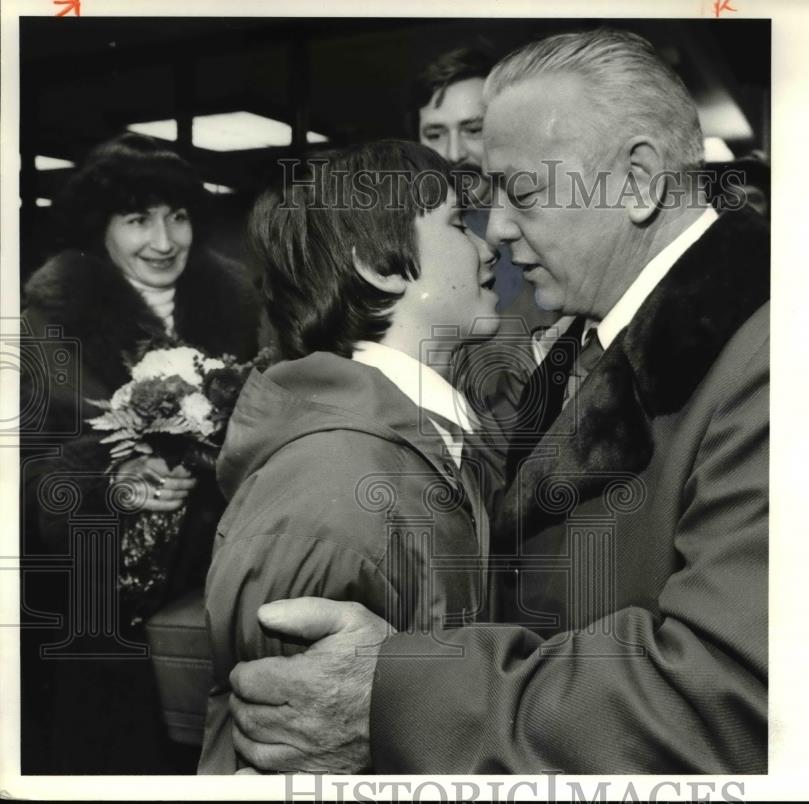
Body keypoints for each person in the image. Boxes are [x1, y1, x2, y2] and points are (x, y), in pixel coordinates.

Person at [226, 28, 769, 774]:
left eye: (523, 192)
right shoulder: (597, 341)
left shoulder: (779, 358)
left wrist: (398, 699)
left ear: (640, 181)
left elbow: (729, 697)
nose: (500, 231)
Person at [197, 141, 506, 773]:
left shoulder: (424, 444)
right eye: (457, 223)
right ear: (379, 264)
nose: (489, 244)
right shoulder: (328, 487)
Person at [20, 132, 261, 773]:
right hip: (95, 613)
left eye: (177, 216)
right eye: (137, 220)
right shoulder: (44, 329)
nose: (163, 240)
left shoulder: (243, 312)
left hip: (213, 593)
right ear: (100, 228)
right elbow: (23, 480)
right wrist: (114, 483)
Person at [407, 44, 555, 333]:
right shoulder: (405, 248)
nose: (452, 153)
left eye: (473, 130)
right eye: (435, 134)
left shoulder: (549, 238)